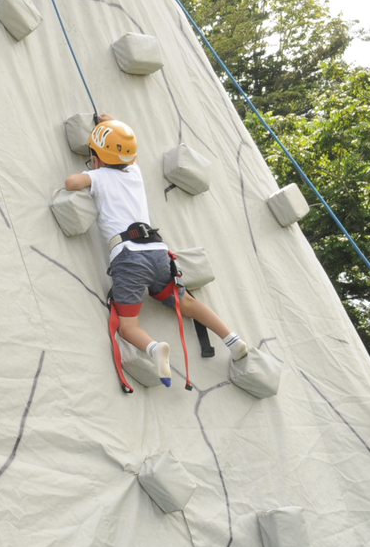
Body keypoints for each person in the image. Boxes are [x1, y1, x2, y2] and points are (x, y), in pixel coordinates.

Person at [63, 116, 249, 387]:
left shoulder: (97, 176)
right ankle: (233, 340)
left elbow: (71, 182)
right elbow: (128, 154)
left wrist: (91, 169)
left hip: (128, 256)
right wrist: (111, 122)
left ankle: (154, 348)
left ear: (97, 157)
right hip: (158, 251)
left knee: (128, 327)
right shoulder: (135, 173)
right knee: (186, 303)